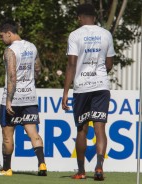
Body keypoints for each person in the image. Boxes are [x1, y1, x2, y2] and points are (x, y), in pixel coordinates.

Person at [61, 3, 115, 181]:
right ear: (95, 17)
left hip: (82, 87)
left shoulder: (75, 35)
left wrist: (65, 92)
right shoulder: (106, 34)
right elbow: (109, 64)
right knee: (100, 128)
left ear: (79, 17)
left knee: (82, 130)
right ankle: (99, 167)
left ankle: (81, 171)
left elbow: (71, 64)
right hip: (101, 86)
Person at [0, 20, 47, 176]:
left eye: (1, 36)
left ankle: (7, 168)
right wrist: (30, 82)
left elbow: (12, 76)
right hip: (30, 97)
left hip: (14, 98)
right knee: (33, 133)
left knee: (7, 136)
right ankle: (42, 165)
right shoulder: (32, 47)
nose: (1, 39)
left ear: (9, 33)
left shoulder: (10, 50)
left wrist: (9, 100)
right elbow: (38, 69)